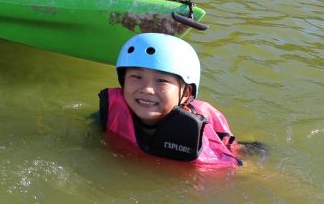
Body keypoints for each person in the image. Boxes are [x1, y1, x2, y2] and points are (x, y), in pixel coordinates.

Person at [99, 33, 245, 167]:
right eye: (136, 77)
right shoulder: (111, 111)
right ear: (123, 80)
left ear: (186, 93)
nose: (147, 89)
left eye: (161, 80)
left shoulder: (201, 144)